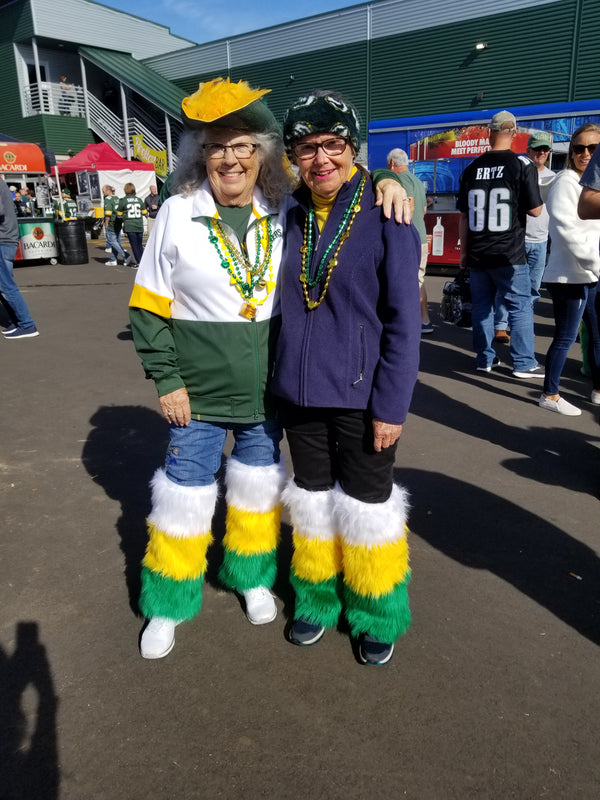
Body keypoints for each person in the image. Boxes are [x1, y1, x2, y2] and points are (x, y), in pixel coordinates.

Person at [128, 77, 408, 661]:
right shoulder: (179, 215)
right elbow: (147, 308)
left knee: (265, 500)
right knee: (186, 502)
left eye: (242, 147)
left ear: (262, 156)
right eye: (215, 146)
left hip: (271, 395)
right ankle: (167, 606)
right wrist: (167, 379)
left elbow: (345, 192)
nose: (229, 159)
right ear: (198, 155)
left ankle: (262, 581)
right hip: (205, 394)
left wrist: (391, 180)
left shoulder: (282, 210)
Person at [272, 91, 421, 666]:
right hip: (300, 393)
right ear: (293, 156)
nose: (321, 159)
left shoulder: (388, 214)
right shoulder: (287, 212)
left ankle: (377, 611)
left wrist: (392, 406)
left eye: (333, 145)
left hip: (364, 397)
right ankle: (315, 598)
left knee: (368, 507)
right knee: (311, 503)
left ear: (353, 149)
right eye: (307, 148)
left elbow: (405, 323)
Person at [457, 110, 544, 377]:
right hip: (509, 253)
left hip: (478, 252)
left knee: (483, 306)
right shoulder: (522, 164)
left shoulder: (471, 168)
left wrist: (464, 253)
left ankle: (485, 359)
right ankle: (523, 362)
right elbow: (536, 211)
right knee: (520, 305)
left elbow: (464, 216)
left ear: (489, 132)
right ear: (514, 133)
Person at [538, 123, 600, 415]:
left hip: (589, 273)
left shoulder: (590, 184)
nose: (585, 154)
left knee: (597, 333)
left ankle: (598, 389)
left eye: (593, 148)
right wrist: (596, 264)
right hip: (569, 275)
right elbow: (566, 230)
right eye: (579, 148)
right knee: (565, 336)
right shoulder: (566, 182)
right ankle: (549, 394)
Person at [493, 130, 556, 343]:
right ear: (528, 150)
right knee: (508, 285)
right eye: (537, 149)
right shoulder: (517, 170)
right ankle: (500, 326)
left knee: (533, 288)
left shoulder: (553, 178)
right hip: (517, 240)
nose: (541, 153)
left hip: (540, 241)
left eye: (545, 149)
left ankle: (523, 324)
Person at [387, 147, 433, 334]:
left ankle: (414, 323)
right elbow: (423, 211)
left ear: (391, 164)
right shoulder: (416, 179)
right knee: (418, 280)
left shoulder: (402, 180)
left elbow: (410, 206)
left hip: (410, 240)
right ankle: (424, 320)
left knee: (411, 282)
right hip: (420, 237)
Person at [0, 179, 39, 339]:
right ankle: (16, 322)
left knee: (6, 286)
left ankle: (27, 324)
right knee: (3, 286)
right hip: (6, 238)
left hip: (3, 239)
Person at [117, 183, 147, 267]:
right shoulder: (139, 200)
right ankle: (143, 261)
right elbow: (144, 212)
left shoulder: (123, 200)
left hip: (130, 225)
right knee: (139, 245)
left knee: (134, 245)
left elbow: (118, 214)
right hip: (139, 224)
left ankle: (139, 262)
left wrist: (123, 217)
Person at [102, 185, 131, 267]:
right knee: (115, 241)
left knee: (112, 241)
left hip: (112, 222)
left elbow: (108, 212)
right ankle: (113, 259)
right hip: (118, 221)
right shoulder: (118, 198)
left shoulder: (108, 199)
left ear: (108, 191)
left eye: (103, 191)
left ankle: (125, 255)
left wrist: (106, 222)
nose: (103, 193)